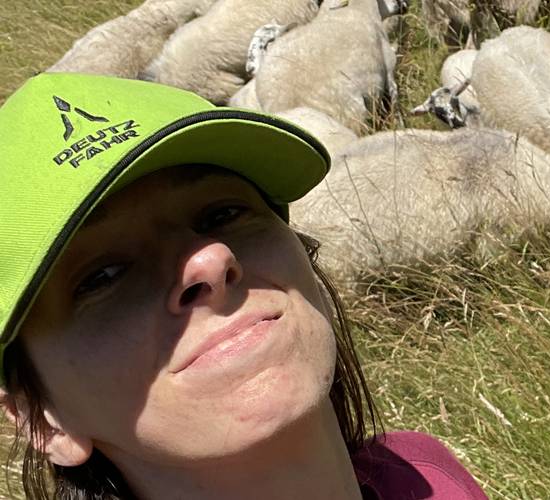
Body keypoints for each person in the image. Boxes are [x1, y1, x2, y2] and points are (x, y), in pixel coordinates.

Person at [0, 73, 489, 500]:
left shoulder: (427, 476)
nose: (210, 260)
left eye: (223, 214)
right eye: (101, 277)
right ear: (43, 419)